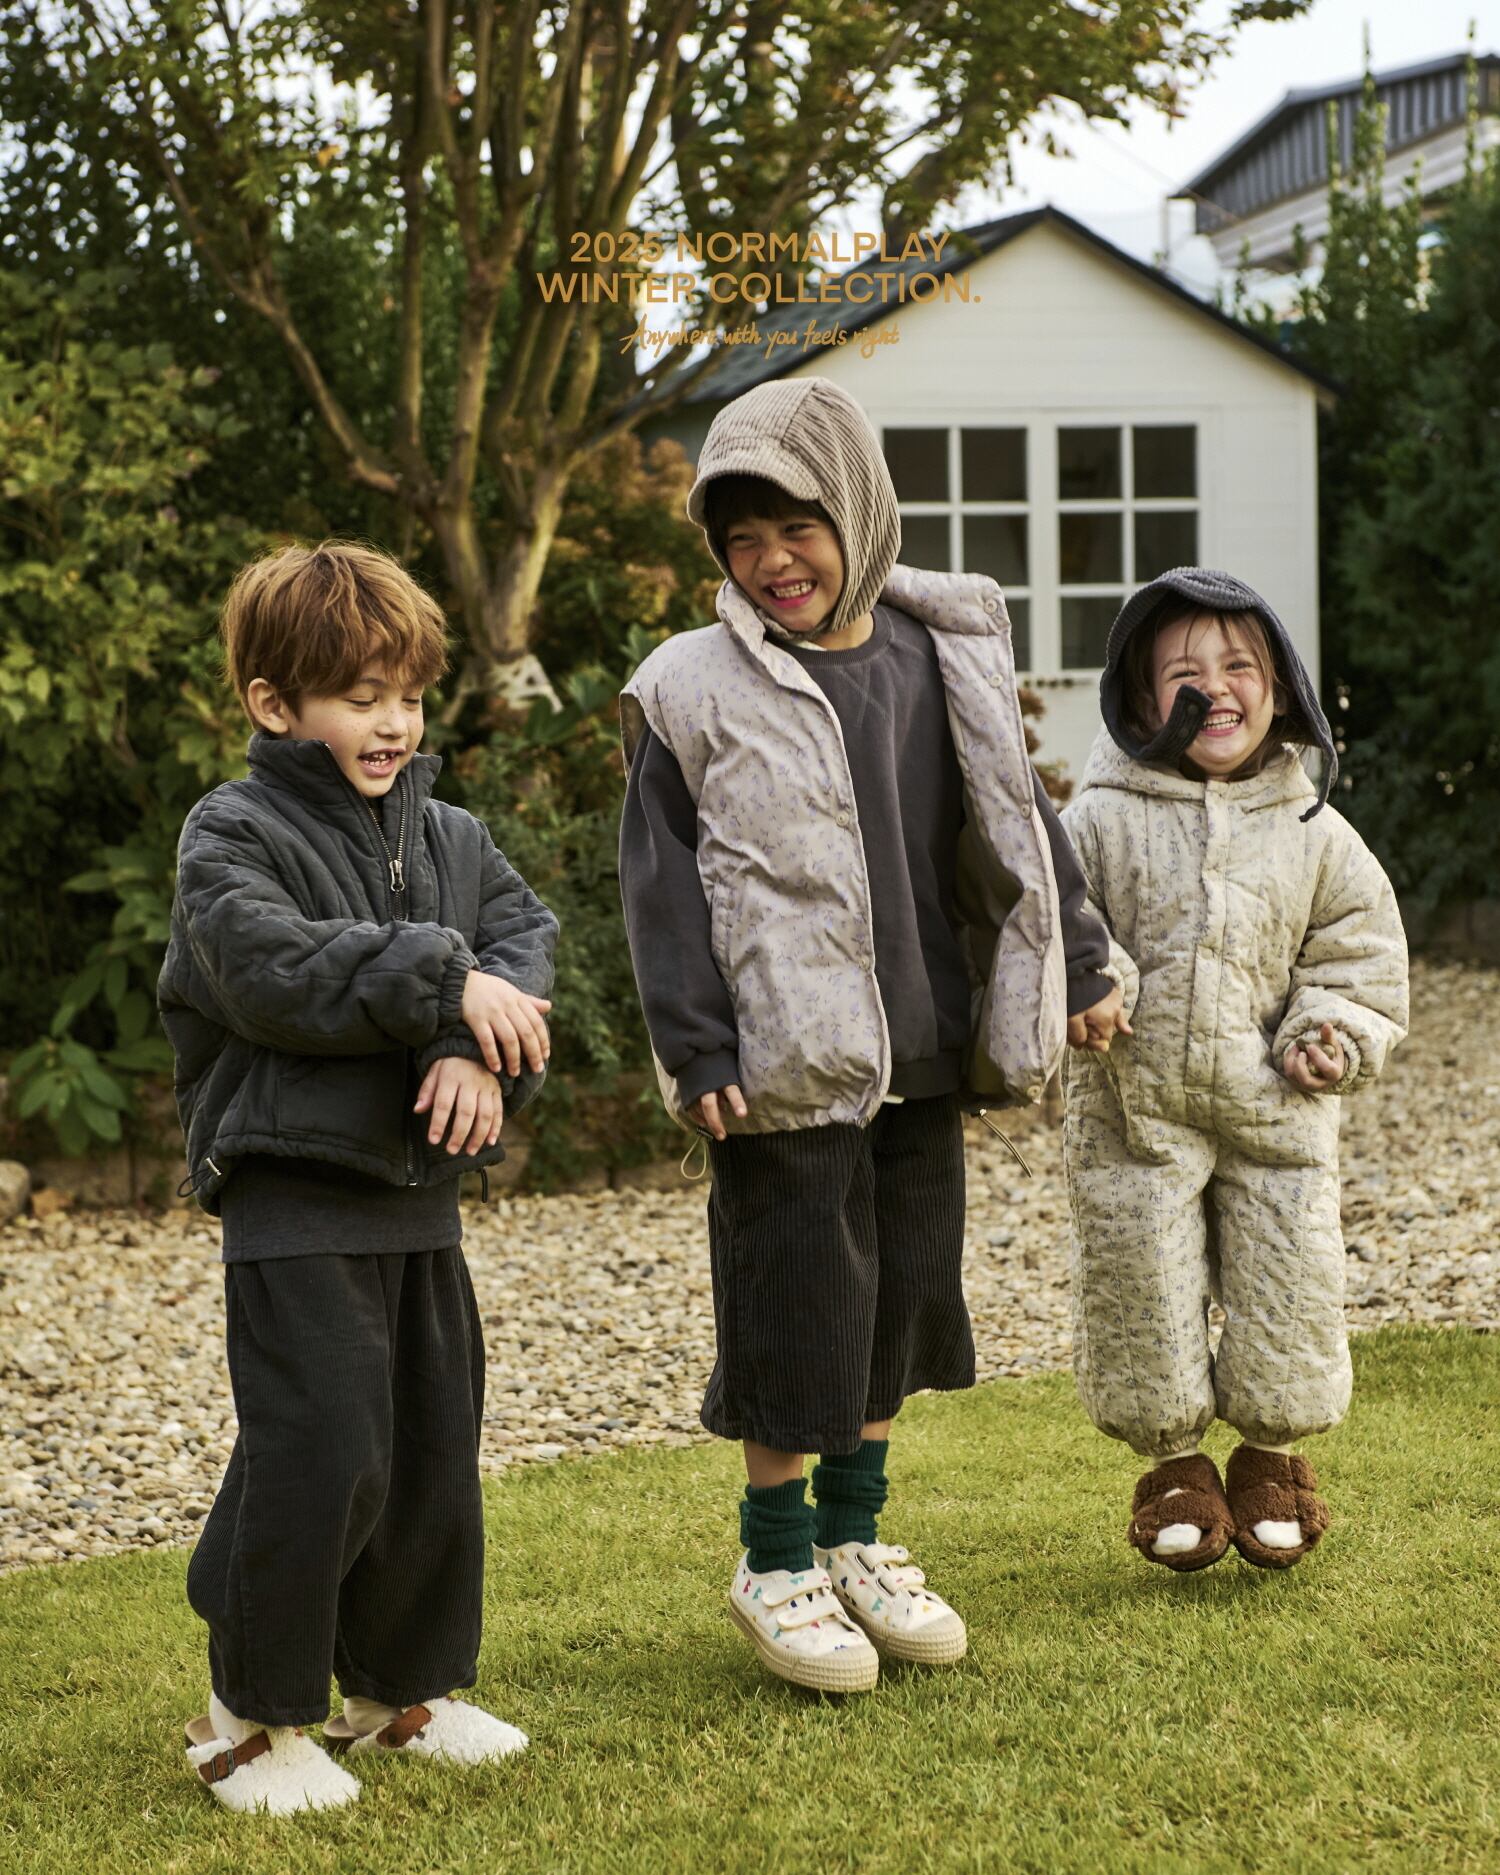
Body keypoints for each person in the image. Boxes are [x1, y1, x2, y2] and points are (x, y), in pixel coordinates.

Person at [617, 379, 1122, 1693]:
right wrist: (697, 1046)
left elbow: (1020, 820)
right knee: (797, 1301)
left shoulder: (938, 651)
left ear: (860, 513)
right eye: (742, 540)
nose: (772, 561)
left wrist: (1079, 961)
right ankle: (774, 1557)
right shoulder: (687, 686)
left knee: (897, 1299)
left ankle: (854, 1538)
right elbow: (659, 884)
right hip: (783, 1062)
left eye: (798, 528)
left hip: (925, 1041)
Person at [158, 540, 558, 1811]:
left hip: (418, 1192)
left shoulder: (452, 836)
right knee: (321, 1444)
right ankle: (247, 1717)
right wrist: (447, 985)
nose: (393, 723)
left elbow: (525, 941)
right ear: (275, 703)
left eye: (410, 697)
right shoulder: (231, 832)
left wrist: (469, 1047)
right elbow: (268, 969)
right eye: (360, 697)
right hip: (291, 1190)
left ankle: (399, 1697)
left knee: (429, 1445)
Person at [1060, 567, 1408, 1573]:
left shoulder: (1314, 832)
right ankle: (1174, 1464)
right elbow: (1059, 922)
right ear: (1139, 702)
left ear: (1281, 689)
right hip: (1135, 1110)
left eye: (1238, 666)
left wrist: (1330, 1028)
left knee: (1290, 1275)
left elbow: (1358, 954)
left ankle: (1270, 1458)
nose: (1213, 687)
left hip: (1276, 1110)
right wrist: (1094, 979)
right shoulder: (1099, 822)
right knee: (1136, 1278)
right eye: (1183, 672)